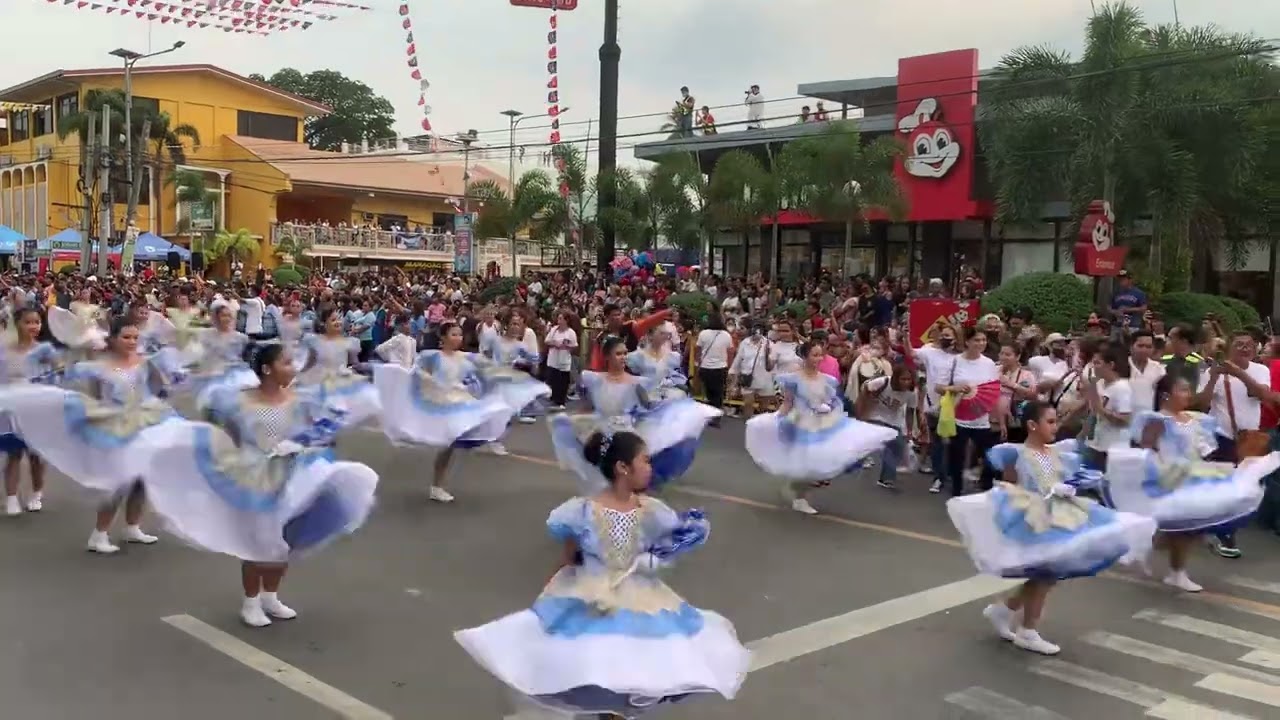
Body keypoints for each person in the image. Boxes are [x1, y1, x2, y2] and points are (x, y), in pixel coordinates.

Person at [454, 430, 749, 717]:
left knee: (634, 672)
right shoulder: (581, 512)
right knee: (597, 670)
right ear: (623, 468)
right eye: (645, 460)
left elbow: (669, 542)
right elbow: (568, 561)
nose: (651, 467)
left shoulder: (654, 511)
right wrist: (546, 603)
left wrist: (657, 558)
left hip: (641, 600)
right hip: (591, 598)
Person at [139, 342, 379, 627]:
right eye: (286, 363)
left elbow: (327, 429)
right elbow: (220, 433)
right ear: (267, 369)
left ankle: (271, 596)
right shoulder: (234, 402)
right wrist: (228, 457)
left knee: (285, 539)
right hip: (253, 476)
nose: (293, 368)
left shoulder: (303, 399)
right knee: (258, 541)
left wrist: (303, 443)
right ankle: (250, 602)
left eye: (293, 362)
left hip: (292, 473)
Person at [947, 401, 1156, 655]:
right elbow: (1016, 490)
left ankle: (1004, 610)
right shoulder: (1021, 454)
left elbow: (1064, 479)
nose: (1056, 426)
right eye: (1050, 422)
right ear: (1032, 425)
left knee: (1047, 574)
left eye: (1056, 421)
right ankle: (1027, 630)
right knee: (1046, 575)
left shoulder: (1057, 452)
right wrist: (1048, 492)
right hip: (1039, 520)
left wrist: (1071, 486)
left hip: (1063, 515)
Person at [0, 317, 178, 553]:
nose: (132, 342)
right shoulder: (99, 366)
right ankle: (99, 533)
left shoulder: (145, 362)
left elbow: (158, 387)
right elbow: (73, 380)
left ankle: (132, 526)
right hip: (115, 427)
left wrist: (165, 383)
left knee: (140, 480)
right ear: (112, 339)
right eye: (126, 337)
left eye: (135, 337)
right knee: (118, 481)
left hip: (144, 422)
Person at [1106, 374, 1279, 591]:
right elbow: (1147, 448)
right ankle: (1176, 572)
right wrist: (1160, 470)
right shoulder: (1159, 419)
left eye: (1189, 390)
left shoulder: (1194, 419)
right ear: (1166, 395)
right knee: (1184, 528)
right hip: (1171, 477)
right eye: (1183, 390)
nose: (1188, 394)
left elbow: (1202, 448)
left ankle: (1147, 545)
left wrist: (1212, 467)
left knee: (1191, 527)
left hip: (1195, 474)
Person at [373, 322, 548, 502]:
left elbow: (487, 369)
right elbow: (416, 373)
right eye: (453, 334)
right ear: (443, 337)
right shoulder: (431, 356)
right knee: (446, 446)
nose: (458, 338)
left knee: (454, 443)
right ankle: (437, 486)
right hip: (441, 403)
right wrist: (431, 382)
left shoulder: (466, 357)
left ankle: (438, 485)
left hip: (459, 401)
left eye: (460, 335)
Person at [745, 339, 897, 515]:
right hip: (799, 423)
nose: (818, 358)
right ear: (805, 356)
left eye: (820, 355)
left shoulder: (827, 380)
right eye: (814, 355)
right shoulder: (793, 378)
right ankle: (800, 498)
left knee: (815, 463)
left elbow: (832, 402)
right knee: (806, 464)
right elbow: (787, 403)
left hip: (822, 424)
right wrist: (774, 418)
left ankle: (795, 489)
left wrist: (827, 408)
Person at [553, 336, 720, 494]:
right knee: (603, 470)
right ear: (607, 357)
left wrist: (670, 410)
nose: (623, 357)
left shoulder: (637, 383)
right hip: (603, 431)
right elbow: (589, 405)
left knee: (628, 470)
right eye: (618, 353)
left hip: (626, 433)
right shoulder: (594, 379)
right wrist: (574, 419)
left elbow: (648, 406)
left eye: (625, 353)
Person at [1195, 328, 1278, 559]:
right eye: (1239, 344)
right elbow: (1201, 403)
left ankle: (1216, 527)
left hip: (1250, 439)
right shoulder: (1214, 371)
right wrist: (1214, 376)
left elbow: (1261, 394)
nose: (1245, 348)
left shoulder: (1260, 369)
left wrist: (1238, 373)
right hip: (1221, 437)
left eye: (1249, 345)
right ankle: (1225, 534)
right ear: (1229, 347)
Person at [0, 306, 60, 515]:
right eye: (28, 322)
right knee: (14, 454)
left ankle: (36, 493)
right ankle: (11, 497)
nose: (33, 326)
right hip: (11, 410)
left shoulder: (46, 350)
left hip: (37, 410)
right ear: (17, 324)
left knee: (36, 456)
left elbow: (57, 376)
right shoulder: (4, 350)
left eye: (37, 322)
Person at [936, 327, 1000, 496]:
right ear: (967, 342)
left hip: (982, 418)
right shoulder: (955, 361)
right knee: (956, 456)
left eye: (983, 340)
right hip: (959, 417)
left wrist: (997, 417)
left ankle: (985, 488)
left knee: (989, 456)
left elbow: (993, 390)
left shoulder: (989, 363)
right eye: (977, 340)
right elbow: (938, 387)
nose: (981, 344)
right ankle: (956, 489)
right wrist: (954, 388)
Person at [294, 307, 381, 424]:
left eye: (339, 319)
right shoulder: (315, 341)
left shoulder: (349, 343)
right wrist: (297, 377)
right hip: (320, 383)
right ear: (324, 324)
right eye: (333, 320)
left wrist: (372, 368)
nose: (338, 322)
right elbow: (309, 363)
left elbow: (356, 365)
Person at [858, 365, 916, 491]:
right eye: (903, 379)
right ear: (896, 378)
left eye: (909, 379)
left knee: (899, 446)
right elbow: (865, 390)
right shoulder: (883, 382)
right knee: (889, 442)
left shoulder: (911, 392)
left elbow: (911, 412)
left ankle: (884, 478)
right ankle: (888, 478)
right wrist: (863, 413)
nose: (906, 382)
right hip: (875, 416)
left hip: (894, 420)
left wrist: (909, 431)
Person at [1081, 346, 1133, 472]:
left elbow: (1126, 420)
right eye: (1092, 363)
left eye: (1097, 363)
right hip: (1095, 444)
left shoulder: (1123, 388)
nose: (1093, 367)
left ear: (1110, 365)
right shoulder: (1099, 384)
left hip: (1113, 449)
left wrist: (1102, 410)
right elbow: (1093, 412)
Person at [695, 314, 733, 423]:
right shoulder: (726, 335)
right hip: (721, 367)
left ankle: (710, 413)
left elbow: (698, 349)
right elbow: (730, 351)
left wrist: (697, 362)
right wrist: (729, 365)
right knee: (718, 393)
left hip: (706, 367)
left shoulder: (703, 334)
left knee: (708, 392)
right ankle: (716, 416)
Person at [544, 311, 578, 410]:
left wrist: (566, 346)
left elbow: (575, 346)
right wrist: (554, 343)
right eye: (558, 319)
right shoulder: (554, 330)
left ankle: (561, 401)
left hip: (564, 358)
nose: (558, 321)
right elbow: (547, 341)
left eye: (561, 319)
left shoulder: (570, 332)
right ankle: (554, 397)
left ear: (566, 320)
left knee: (562, 380)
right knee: (553, 378)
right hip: (553, 357)